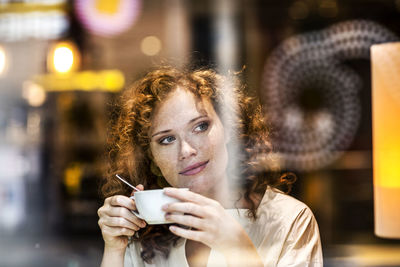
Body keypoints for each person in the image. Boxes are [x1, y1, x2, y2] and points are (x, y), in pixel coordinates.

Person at [97, 66, 323, 267]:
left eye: (200, 127)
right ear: (152, 158)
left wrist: (239, 249)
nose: (186, 151)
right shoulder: (146, 229)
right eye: (167, 139)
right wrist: (114, 249)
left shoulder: (288, 220)